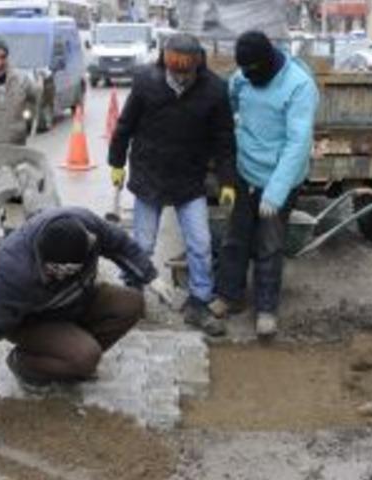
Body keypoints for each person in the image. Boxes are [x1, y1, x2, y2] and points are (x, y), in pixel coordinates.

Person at [0, 207, 171, 430]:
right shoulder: (11, 269)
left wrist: (150, 276)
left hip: (75, 301)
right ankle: (24, 363)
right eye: (56, 271)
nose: (61, 276)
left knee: (130, 303)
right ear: (42, 258)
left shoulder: (87, 226)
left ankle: (70, 355)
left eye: (70, 270)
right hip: (32, 321)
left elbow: (120, 244)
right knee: (85, 356)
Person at [107, 33, 235, 337]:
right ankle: (131, 298)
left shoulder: (214, 91)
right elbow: (124, 126)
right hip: (149, 173)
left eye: (186, 68)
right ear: (164, 60)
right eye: (173, 66)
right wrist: (116, 162)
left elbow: (224, 140)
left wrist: (227, 181)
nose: (179, 74)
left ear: (197, 64)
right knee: (142, 245)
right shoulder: (145, 83)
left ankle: (199, 303)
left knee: (200, 246)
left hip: (190, 179)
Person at [212, 31, 319, 338]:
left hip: (280, 177)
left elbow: (298, 144)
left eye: (254, 72)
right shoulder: (242, 77)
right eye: (245, 71)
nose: (249, 76)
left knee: (269, 245)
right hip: (246, 171)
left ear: (269, 61)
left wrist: (275, 191)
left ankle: (266, 309)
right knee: (235, 238)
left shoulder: (298, 86)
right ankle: (229, 296)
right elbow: (230, 99)